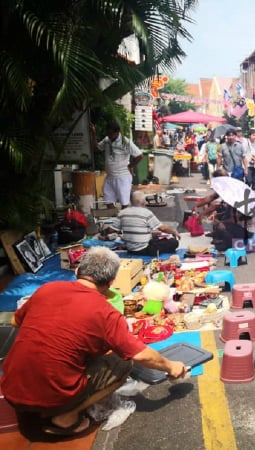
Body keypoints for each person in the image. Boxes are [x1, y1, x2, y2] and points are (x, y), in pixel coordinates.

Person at [0, 247, 187, 437]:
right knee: (122, 363)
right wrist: (171, 366)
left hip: (11, 390)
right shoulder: (106, 313)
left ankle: (49, 405)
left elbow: (15, 322)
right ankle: (66, 417)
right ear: (112, 282)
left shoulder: (47, 289)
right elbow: (140, 354)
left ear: (76, 271)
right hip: (54, 396)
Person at [92, 121, 143, 209]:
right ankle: (117, 218)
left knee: (124, 204)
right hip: (109, 177)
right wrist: (93, 133)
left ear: (117, 132)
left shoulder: (125, 142)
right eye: (107, 133)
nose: (109, 135)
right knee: (108, 202)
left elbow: (139, 155)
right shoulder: (107, 140)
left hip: (122, 177)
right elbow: (96, 148)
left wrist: (130, 166)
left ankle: (123, 220)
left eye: (111, 133)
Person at [115, 190, 180, 256]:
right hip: (145, 249)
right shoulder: (146, 213)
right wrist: (174, 232)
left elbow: (112, 229)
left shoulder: (122, 213)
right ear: (143, 202)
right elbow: (162, 228)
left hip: (130, 249)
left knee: (156, 237)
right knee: (174, 242)